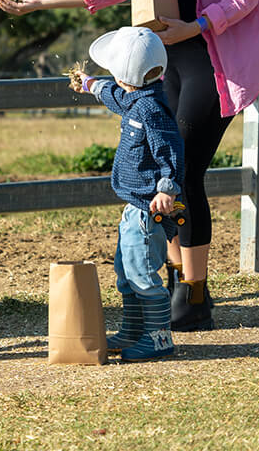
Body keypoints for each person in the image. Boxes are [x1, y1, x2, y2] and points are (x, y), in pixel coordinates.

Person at [0, 0, 259, 331]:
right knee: (159, 173)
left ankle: (194, 295)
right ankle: (175, 283)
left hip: (215, 65)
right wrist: (39, 2)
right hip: (167, 68)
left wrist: (195, 25)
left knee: (185, 171)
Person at [71, 26, 184, 360]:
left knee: (143, 273)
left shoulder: (151, 110)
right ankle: (134, 329)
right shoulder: (137, 98)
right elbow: (114, 96)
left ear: (123, 74)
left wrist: (167, 188)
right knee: (126, 270)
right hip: (133, 206)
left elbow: (171, 150)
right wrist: (90, 83)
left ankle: (159, 337)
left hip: (149, 209)